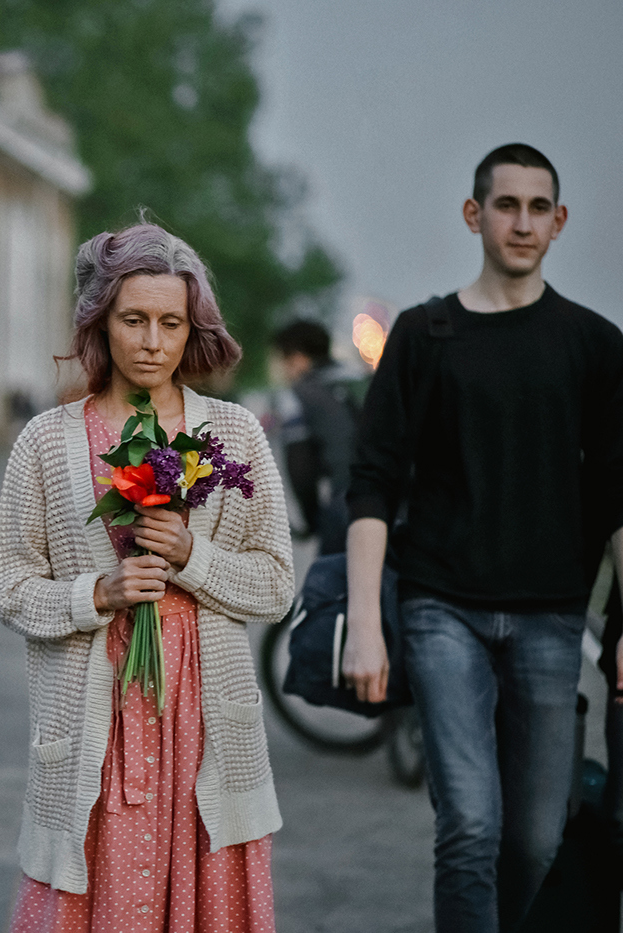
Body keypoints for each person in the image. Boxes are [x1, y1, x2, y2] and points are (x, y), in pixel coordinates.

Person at [342, 144, 623, 932]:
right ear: (475, 215)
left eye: (539, 208)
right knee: (469, 824)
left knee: (535, 839)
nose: (522, 222)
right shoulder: (426, 338)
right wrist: (368, 624)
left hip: (550, 614)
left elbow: (617, 492)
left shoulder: (594, 346)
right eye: (506, 205)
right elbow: (373, 482)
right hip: (442, 609)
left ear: (559, 221)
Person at [0, 221, 294, 931]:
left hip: (205, 724)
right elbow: (11, 585)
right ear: (102, 321)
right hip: (96, 724)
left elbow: (277, 584)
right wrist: (95, 593)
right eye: (134, 319)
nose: (153, 341)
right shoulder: (46, 441)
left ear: (193, 330)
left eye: (171, 322)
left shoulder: (234, 435)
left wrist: (195, 557)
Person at [269, 320, 358, 555]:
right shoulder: (362, 379)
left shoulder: (296, 396)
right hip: (402, 499)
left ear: (297, 358)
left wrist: (311, 520)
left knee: (330, 586)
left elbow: (300, 467)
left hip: (347, 502)